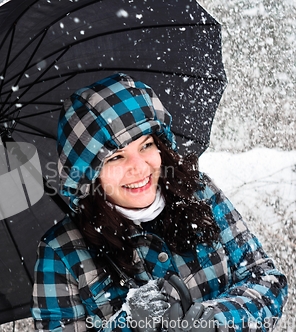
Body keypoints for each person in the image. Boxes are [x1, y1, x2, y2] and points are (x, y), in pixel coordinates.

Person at [31, 73, 287, 332]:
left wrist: (216, 320)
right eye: (116, 158)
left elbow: (265, 279)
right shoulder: (61, 253)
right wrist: (129, 324)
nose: (139, 167)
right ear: (89, 174)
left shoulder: (200, 193)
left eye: (146, 145)